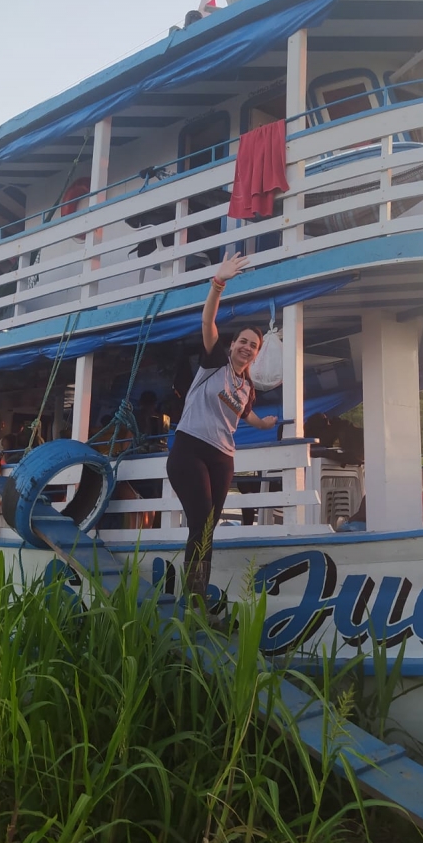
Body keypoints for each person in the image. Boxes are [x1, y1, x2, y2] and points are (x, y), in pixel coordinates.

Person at [166, 251, 279, 606]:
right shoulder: (215, 363)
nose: (247, 347)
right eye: (243, 341)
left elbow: (246, 415)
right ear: (232, 345)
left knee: (209, 527)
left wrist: (263, 423)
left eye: (253, 346)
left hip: (223, 458)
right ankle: (191, 598)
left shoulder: (247, 388)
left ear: (257, 355)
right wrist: (219, 283)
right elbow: (207, 321)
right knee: (201, 519)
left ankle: (196, 596)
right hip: (190, 450)